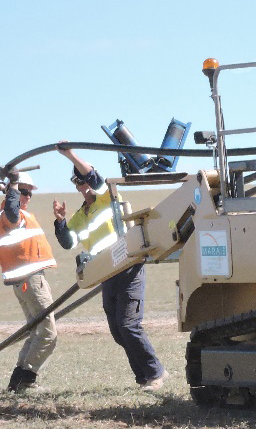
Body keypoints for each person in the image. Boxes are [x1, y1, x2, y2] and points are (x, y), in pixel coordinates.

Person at [53, 146, 168, 391]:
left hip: (128, 267)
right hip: (107, 273)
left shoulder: (108, 197)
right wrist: (61, 221)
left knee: (128, 325)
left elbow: (94, 177)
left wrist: (70, 155)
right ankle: (144, 377)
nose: (86, 186)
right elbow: (67, 242)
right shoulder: (80, 216)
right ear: (77, 187)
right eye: (80, 184)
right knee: (118, 330)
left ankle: (155, 373)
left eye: (86, 181)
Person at [0, 171, 58, 392]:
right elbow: (12, 212)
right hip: (30, 280)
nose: (27, 196)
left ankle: (18, 381)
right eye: (23, 192)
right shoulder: (9, 214)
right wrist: (12, 187)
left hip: (27, 280)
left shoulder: (18, 215)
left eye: (29, 193)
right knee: (48, 333)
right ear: (13, 192)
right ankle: (26, 379)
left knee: (36, 332)